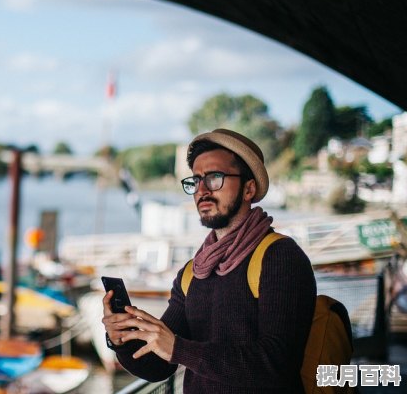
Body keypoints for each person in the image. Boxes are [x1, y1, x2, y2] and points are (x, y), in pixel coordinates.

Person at [102, 128, 316, 393]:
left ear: (249, 188)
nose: (201, 190)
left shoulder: (280, 257)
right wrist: (122, 339)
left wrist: (179, 349)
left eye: (214, 178)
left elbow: (276, 365)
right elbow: (159, 366)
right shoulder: (193, 272)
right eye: (195, 180)